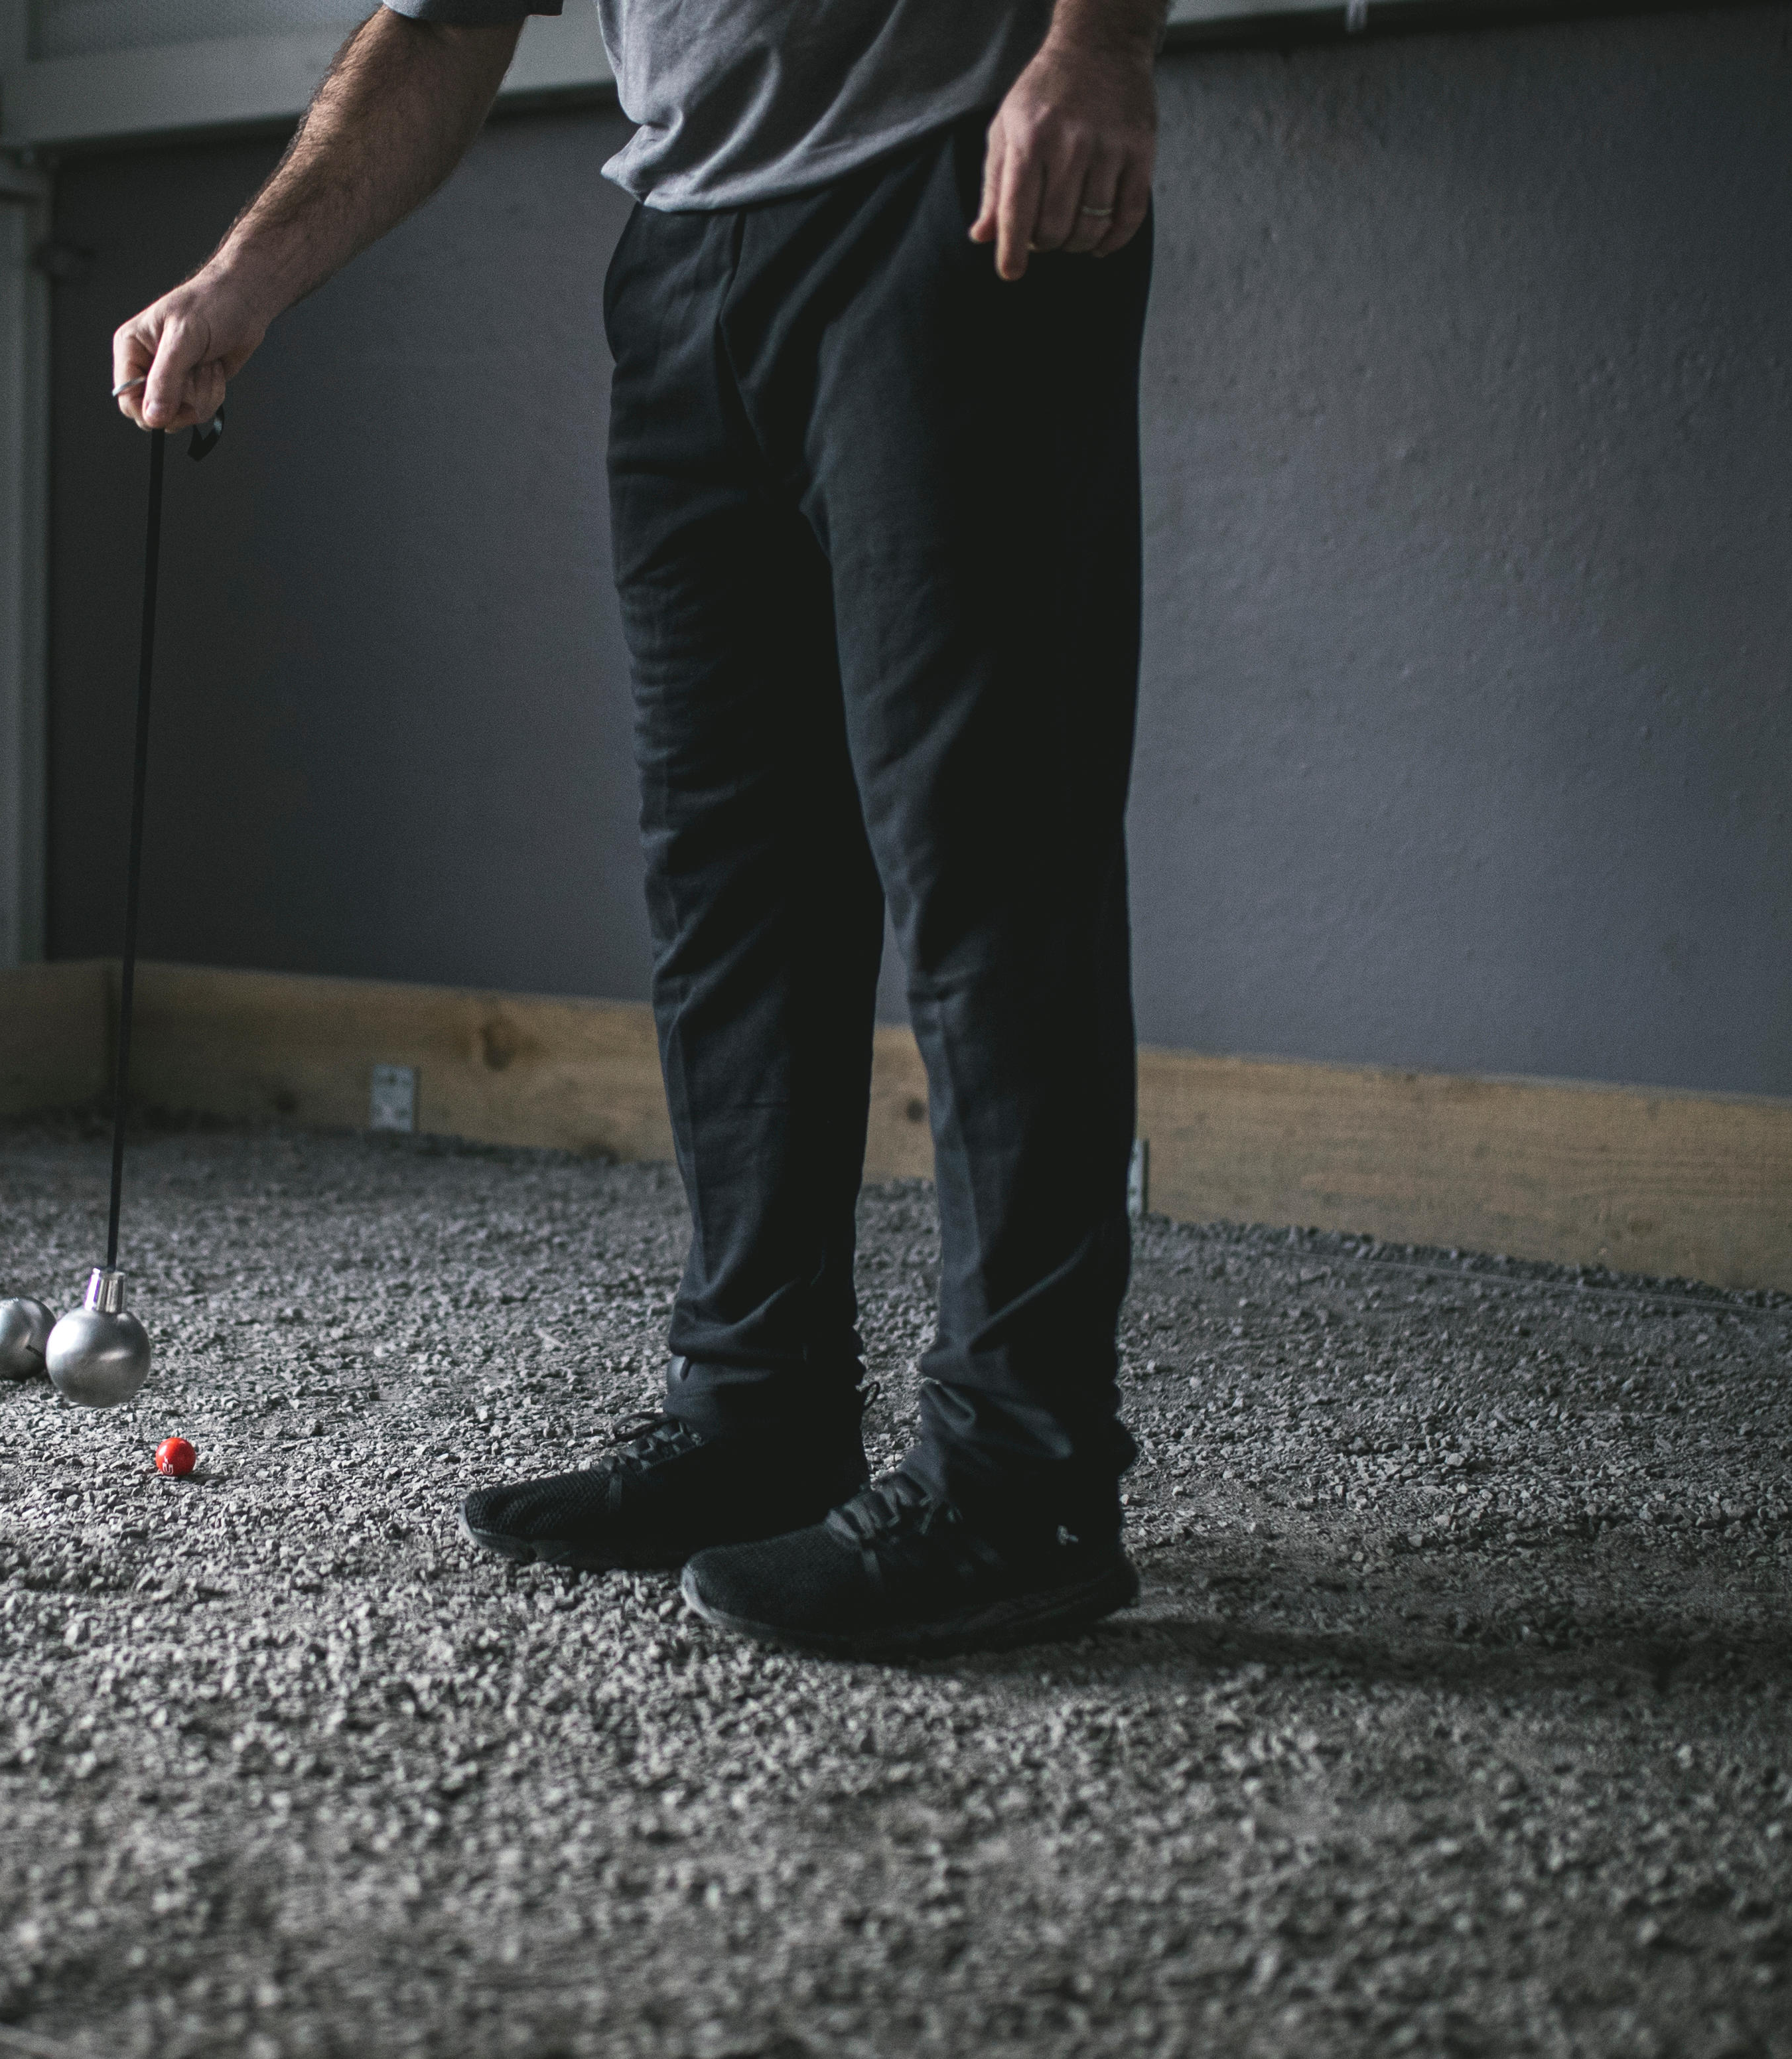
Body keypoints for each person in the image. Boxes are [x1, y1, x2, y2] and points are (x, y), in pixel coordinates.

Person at [111, 0, 1165, 1657]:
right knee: (729, 881)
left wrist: (1095, 47)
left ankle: (1021, 1479)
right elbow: (437, 25)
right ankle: (757, 1412)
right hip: (681, 265)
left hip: (948, 202)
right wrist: (242, 277)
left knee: (986, 863)